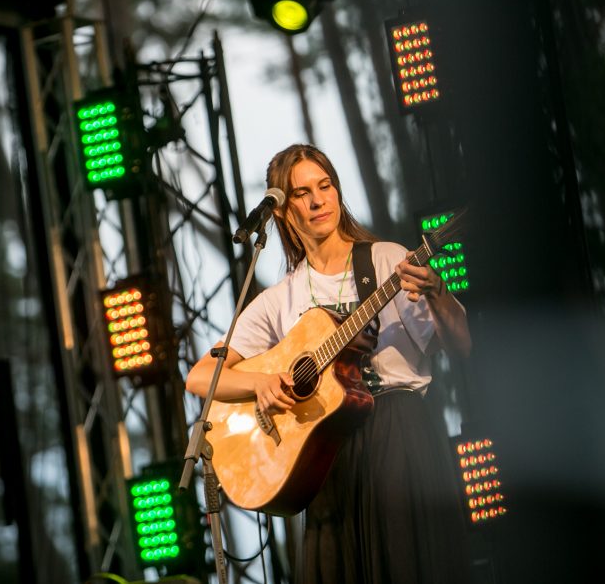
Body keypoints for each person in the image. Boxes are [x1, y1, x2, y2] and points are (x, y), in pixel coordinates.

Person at [185, 143, 472, 583]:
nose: (319, 200)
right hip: (323, 455)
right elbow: (201, 378)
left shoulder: (384, 259)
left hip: (395, 433)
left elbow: (462, 346)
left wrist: (437, 292)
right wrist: (262, 382)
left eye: (326, 186)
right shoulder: (279, 300)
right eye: (302, 193)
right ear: (281, 213)